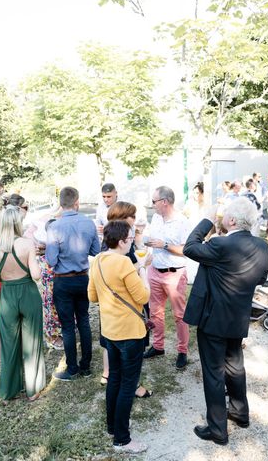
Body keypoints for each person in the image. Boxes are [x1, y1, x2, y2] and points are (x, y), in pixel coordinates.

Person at [183, 198, 268, 445]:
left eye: (223, 216)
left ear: (231, 220)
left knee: (213, 372)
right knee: (235, 365)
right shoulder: (262, 246)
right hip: (238, 315)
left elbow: (190, 247)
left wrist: (208, 219)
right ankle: (240, 413)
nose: (222, 219)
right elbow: (262, 277)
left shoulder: (220, 244)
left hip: (213, 319)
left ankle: (218, 429)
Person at [88, 220, 150, 454]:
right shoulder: (124, 262)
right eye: (131, 238)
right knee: (127, 384)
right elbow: (144, 296)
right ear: (122, 241)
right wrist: (142, 267)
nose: (133, 241)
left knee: (114, 378)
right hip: (130, 332)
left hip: (110, 330)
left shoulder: (98, 260)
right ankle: (122, 439)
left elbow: (92, 296)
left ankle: (112, 427)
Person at [0, 206, 45, 401]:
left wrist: (1, 279)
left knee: (8, 343)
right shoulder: (27, 244)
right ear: (17, 223)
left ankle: (7, 390)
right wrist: (37, 262)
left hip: (7, 295)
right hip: (28, 294)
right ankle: (33, 390)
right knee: (32, 342)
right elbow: (36, 276)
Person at [46, 186, 101, 380]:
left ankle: (72, 368)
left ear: (61, 203)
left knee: (68, 326)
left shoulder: (54, 227)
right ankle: (86, 366)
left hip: (63, 280)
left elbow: (51, 261)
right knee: (84, 321)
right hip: (82, 278)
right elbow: (96, 251)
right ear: (77, 201)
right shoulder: (89, 223)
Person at [99, 201, 152, 398]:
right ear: (123, 217)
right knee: (127, 346)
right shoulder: (117, 243)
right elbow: (122, 273)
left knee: (112, 342)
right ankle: (131, 384)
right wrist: (142, 266)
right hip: (127, 300)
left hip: (117, 302)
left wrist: (138, 239)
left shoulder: (123, 238)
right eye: (132, 216)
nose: (135, 219)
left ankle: (112, 376)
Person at [143, 186, 192, 369]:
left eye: (154, 201)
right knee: (156, 312)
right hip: (155, 271)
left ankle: (182, 351)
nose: (152, 205)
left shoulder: (182, 222)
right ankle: (158, 346)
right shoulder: (156, 217)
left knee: (180, 315)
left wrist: (165, 245)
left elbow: (187, 250)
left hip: (174, 273)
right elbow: (152, 240)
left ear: (164, 202)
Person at [23, 208, 64, 350]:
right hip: (47, 265)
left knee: (62, 299)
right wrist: (38, 246)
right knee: (50, 300)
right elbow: (27, 235)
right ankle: (52, 335)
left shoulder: (66, 220)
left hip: (61, 264)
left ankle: (62, 330)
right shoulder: (44, 218)